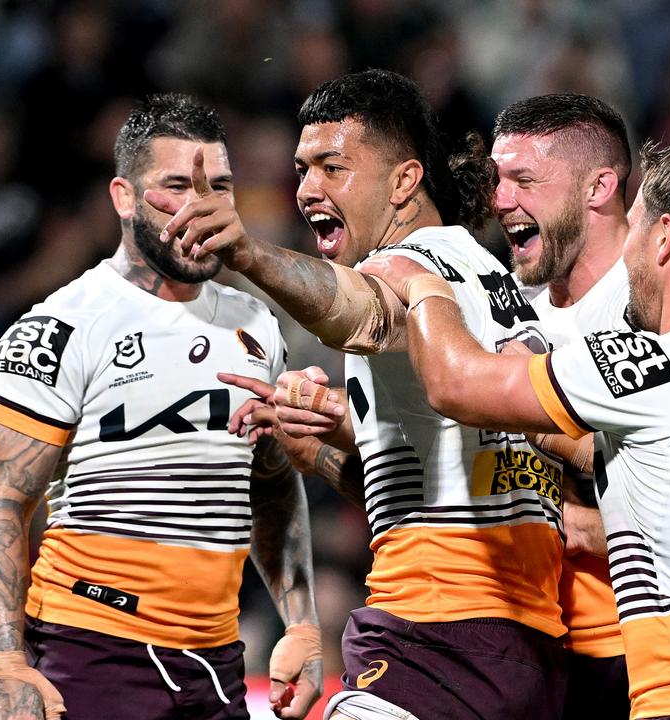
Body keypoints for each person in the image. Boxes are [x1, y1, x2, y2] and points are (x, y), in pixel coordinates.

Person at [363, 136, 670, 719]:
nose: (628, 256)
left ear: (664, 237)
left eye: (636, 229)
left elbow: (455, 384)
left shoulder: (653, 363)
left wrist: (421, 285)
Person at [155, 69, 568, 720]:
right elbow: (436, 483)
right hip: (521, 649)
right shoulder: (490, 277)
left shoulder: (406, 267)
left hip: (434, 635)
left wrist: (246, 253)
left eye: (333, 168)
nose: (308, 189)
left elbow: (361, 310)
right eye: (302, 170)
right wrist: (320, 441)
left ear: (404, 180)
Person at [0, 94, 322, 720]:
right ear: (123, 198)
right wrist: (6, 664)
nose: (201, 206)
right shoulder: (61, 327)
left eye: (218, 187)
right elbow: (0, 502)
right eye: (175, 186)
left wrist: (301, 624)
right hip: (93, 651)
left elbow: (269, 483)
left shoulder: (257, 326)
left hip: (217, 659)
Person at [491, 92, 632, 719]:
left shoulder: (663, 304)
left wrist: (596, 532)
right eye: (497, 179)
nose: (500, 200)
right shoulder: (510, 313)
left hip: (632, 656)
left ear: (600, 186)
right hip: (525, 643)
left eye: (524, 179)